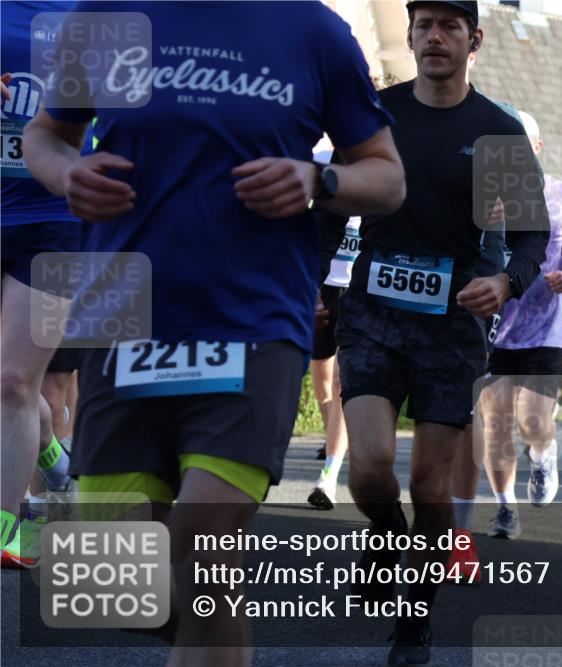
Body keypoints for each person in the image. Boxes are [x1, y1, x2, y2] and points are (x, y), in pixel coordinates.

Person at [24, 2, 405, 664]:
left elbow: (388, 174)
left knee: (201, 543)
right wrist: (66, 173)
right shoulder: (109, 15)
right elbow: (45, 135)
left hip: (253, 320)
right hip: (125, 316)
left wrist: (321, 178)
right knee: (109, 581)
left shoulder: (312, 31)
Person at [334, 2, 549, 661]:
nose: (432, 35)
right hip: (371, 309)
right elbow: (333, 195)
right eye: (422, 23)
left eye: (448, 25)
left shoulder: (495, 131)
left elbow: (530, 232)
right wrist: (317, 282)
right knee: (369, 471)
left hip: (453, 320)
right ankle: (385, 533)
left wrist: (508, 279)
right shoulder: (377, 111)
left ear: (473, 40)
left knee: (431, 488)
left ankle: (414, 620)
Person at [481, 110, 562, 537]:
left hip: (544, 325)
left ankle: (543, 454)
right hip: (492, 324)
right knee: (495, 420)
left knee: (531, 420)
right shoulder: (482, 197)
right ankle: (505, 506)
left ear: (538, 149)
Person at [1, 1, 80, 569]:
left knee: (12, 383)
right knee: (17, 393)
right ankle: (56, 459)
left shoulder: (98, 13)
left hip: (56, 219)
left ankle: (9, 532)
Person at [307, 204, 360, 510]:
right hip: (322, 287)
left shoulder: (379, 169)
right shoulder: (322, 156)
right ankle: (335, 441)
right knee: (323, 385)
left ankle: (329, 475)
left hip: (355, 291)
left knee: (342, 380)